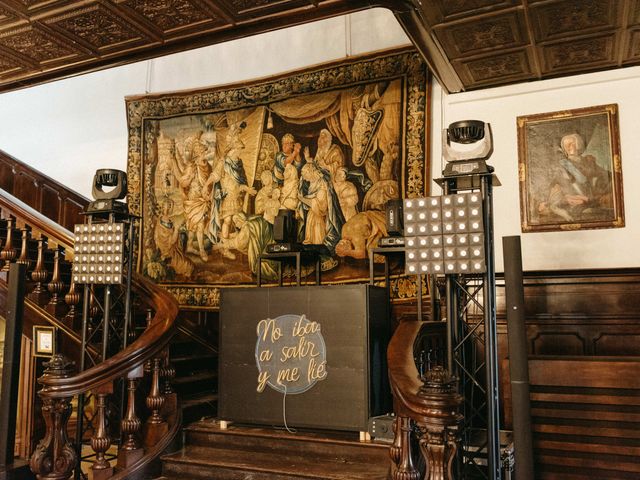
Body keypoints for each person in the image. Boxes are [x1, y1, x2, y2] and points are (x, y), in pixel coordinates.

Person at [539, 133, 613, 222]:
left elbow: (604, 174)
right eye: (566, 145)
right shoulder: (562, 165)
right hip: (572, 200)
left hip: (590, 196)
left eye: (572, 144)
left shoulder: (588, 161)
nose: (569, 147)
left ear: (578, 145)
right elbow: (551, 184)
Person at [153, 198, 194, 277]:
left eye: (171, 206)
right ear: (163, 207)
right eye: (168, 205)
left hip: (171, 249)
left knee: (189, 265)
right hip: (168, 251)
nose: (169, 207)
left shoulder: (167, 220)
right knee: (188, 266)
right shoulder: (161, 221)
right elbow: (170, 241)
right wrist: (176, 230)